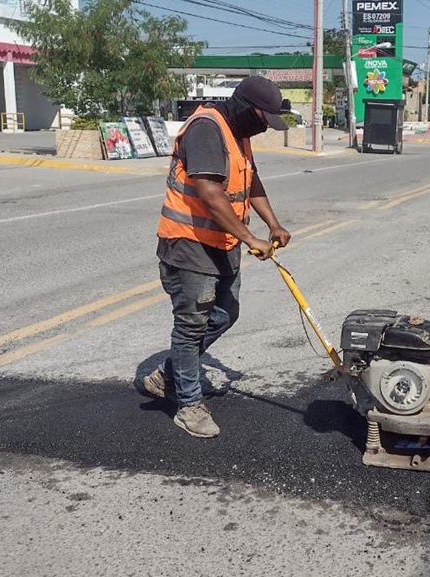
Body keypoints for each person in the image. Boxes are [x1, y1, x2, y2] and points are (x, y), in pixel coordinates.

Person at [141, 76, 292, 438]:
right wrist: (250, 237)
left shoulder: (238, 132)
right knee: (191, 325)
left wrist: (273, 223)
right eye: (263, 121)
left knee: (226, 313)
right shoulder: (206, 129)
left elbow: (251, 181)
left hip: (222, 242)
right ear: (245, 108)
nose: (263, 129)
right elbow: (210, 193)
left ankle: (170, 374)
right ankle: (188, 405)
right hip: (189, 244)